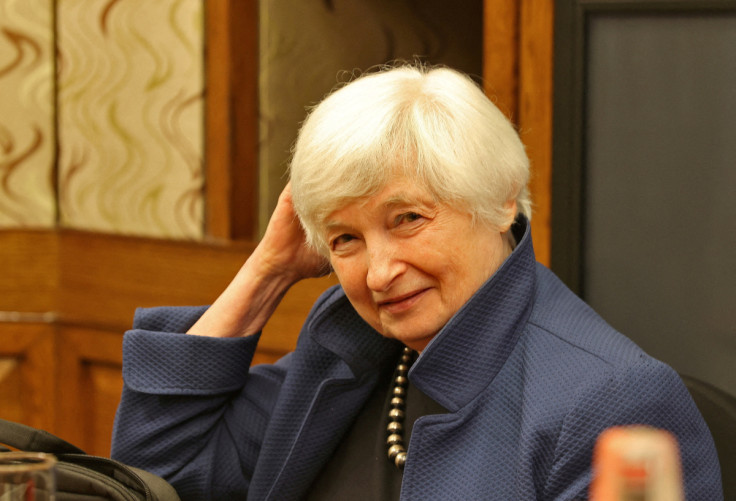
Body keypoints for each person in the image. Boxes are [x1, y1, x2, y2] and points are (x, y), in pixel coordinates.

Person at [111, 64, 722, 500]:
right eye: (346, 239)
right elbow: (162, 472)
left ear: (501, 199)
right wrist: (269, 269)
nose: (378, 274)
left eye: (407, 219)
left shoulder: (612, 400)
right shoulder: (353, 354)